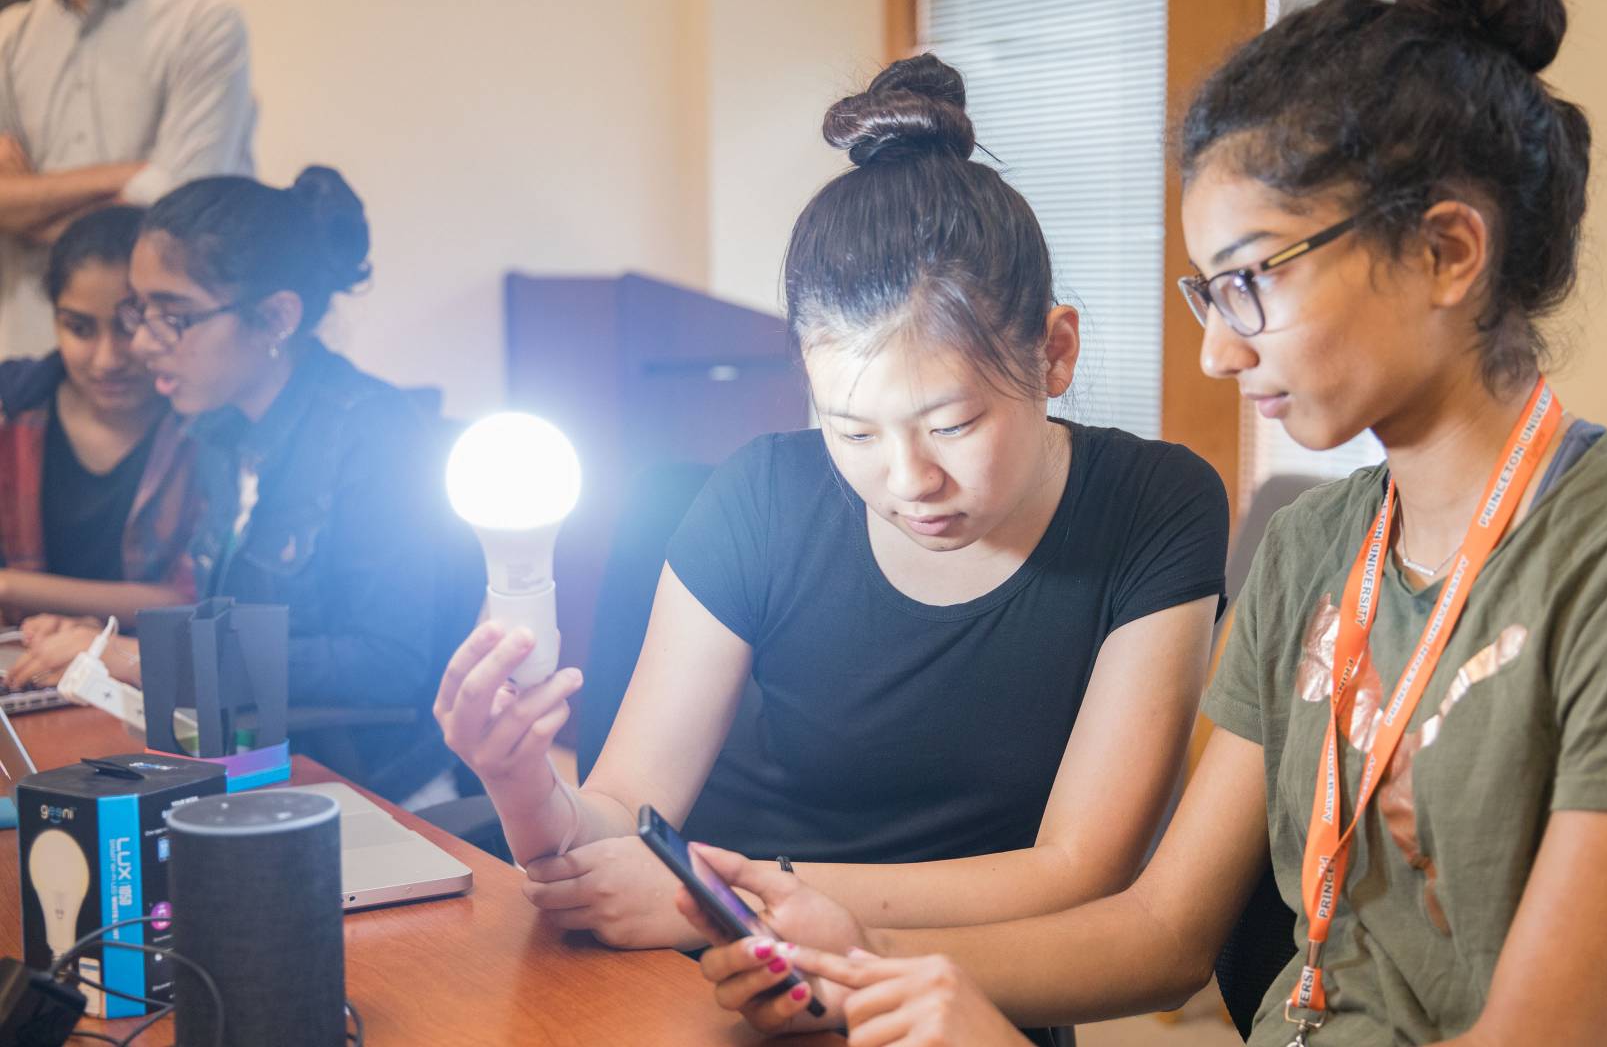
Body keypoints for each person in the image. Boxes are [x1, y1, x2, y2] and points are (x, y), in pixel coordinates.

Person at [683, 0, 1607, 1045]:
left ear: (1446, 251)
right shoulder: (1318, 547)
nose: (1218, 348)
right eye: (1204, 289)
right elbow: (1160, 937)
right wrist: (864, 953)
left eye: (1250, 281)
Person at [433, 55, 1229, 1006]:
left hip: (949, 995)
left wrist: (759, 900)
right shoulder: (761, 497)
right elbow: (614, 822)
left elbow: (1077, 871)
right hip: (708, 971)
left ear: (1054, 353)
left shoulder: (1154, 505)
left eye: (952, 425)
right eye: (851, 431)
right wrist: (518, 778)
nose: (907, 481)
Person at [14, 168, 456, 800]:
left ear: (276, 317)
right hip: (251, 766)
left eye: (175, 316)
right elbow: (243, 622)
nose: (141, 343)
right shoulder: (220, 432)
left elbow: (386, 663)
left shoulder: (375, 435)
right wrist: (102, 640)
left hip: (369, 787)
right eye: (141, 309)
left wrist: (141, 661)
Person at [0, 0, 255, 355]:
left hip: (157, 347)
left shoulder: (203, 23)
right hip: (27, 344)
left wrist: (27, 206)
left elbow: (182, 213)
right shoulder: (9, 35)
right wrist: (128, 177)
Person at [0, 205, 194, 647]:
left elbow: (195, 599)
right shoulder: (12, 407)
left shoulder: (204, 424)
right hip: (22, 668)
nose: (107, 360)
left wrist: (10, 586)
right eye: (79, 328)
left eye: (128, 326)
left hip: (154, 678)